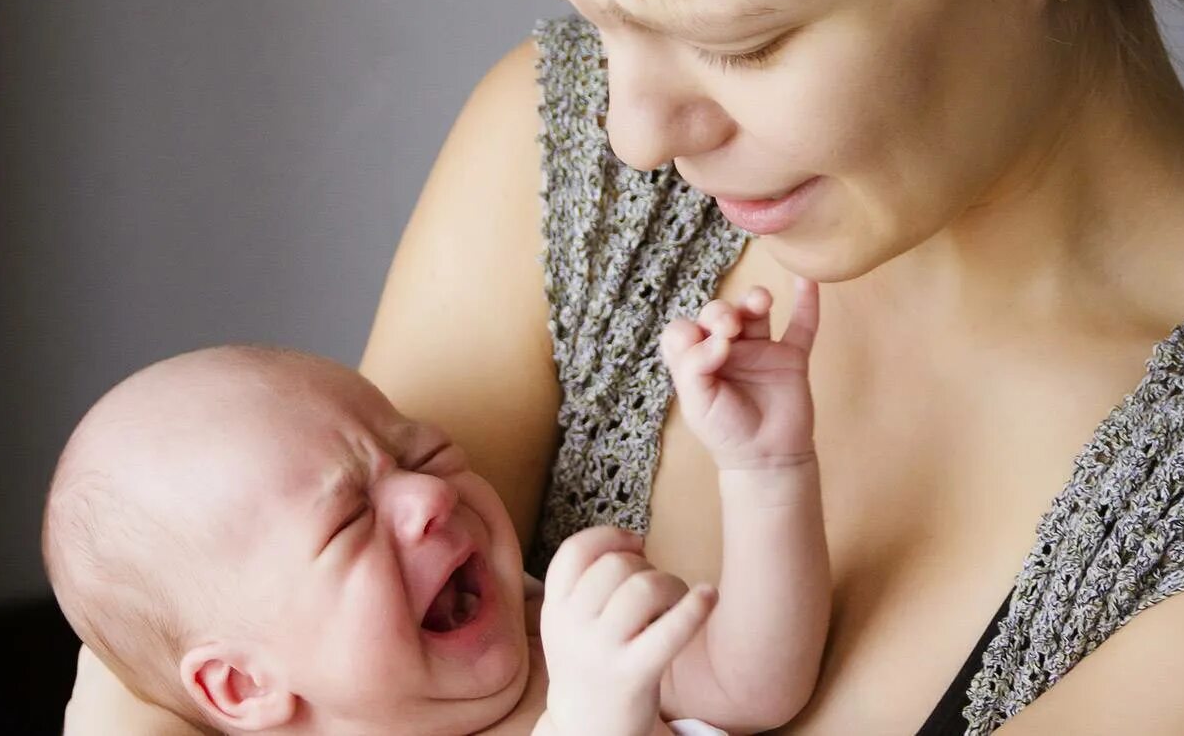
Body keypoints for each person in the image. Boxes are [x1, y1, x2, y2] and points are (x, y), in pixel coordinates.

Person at [63, 0, 1184, 733]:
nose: (635, 134)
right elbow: (182, 624)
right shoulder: (565, 155)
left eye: (738, 41)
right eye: (586, 11)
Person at [45, 280, 827, 735]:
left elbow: (752, 680)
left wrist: (766, 467)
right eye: (348, 519)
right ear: (243, 685)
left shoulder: (547, 638)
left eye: (421, 453)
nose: (428, 495)